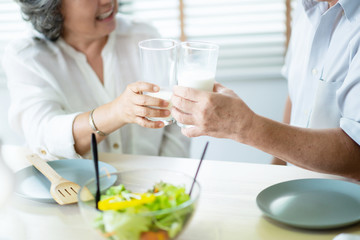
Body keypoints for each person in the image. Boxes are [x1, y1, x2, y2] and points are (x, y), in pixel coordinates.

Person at [171, 0, 360, 180]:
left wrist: (242, 126)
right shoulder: (307, 9)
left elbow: (356, 155)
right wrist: (276, 169)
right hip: (296, 189)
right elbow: (297, 95)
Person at [3, 0, 189, 160]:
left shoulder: (144, 36)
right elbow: (43, 138)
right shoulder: (27, 56)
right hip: (74, 194)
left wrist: (162, 179)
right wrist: (116, 112)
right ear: (53, 7)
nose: (108, 1)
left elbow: (176, 120)